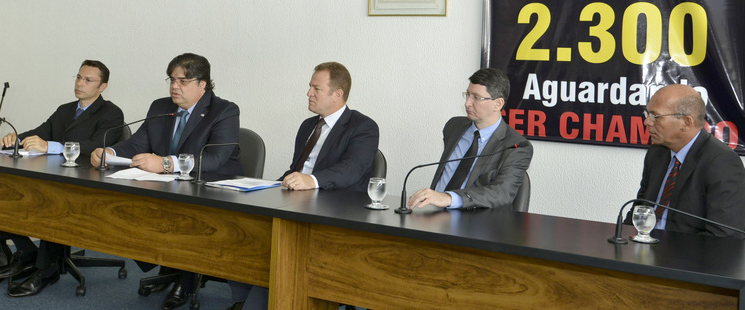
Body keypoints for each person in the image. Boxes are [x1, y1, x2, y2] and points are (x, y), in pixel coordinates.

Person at [90, 52, 242, 310]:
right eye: (172, 79)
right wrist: (110, 152)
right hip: (168, 186)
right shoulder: (161, 107)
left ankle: (186, 279)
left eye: (183, 81)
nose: (174, 86)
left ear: (202, 84)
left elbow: (215, 159)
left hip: (209, 187)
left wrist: (166, 163)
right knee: (130, 208)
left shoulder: (224, 111)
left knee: (183, 215)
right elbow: (137, 143)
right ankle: (168, 264)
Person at [228, 61, 379, 310]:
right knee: (242, 228)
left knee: (280, 250)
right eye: (310, 86)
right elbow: (296, 169)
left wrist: (313, 180)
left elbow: (353, 169)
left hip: (333, 209)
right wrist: (266, 186)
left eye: (316, 88)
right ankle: (243, 299)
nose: (309, 93)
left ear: (337, 94)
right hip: (295, 203)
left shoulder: (363, 127)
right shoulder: (309, 125)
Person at [0, 60, 124, 297]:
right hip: (53, 175)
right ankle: (27, 251)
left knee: (53, 204)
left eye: (88, 80)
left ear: (102, 87)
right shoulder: (65, 109)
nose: (80, 83)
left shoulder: (111, 113)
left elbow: (95, 146)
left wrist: (50, 146)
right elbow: (41, 132)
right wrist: (16, 138)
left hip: (85, 182)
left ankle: (46, 270)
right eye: (78, 77)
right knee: (9, 194)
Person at [627, 84, 745, 237]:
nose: (647, 122)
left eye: (655, 116)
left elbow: (723, 236)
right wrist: (622, 240)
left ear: (686, 122)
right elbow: (640, 207)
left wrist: (664, 248)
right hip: (646, 245)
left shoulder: (722, 162)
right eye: (647, 114)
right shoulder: (657, 153)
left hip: (686, 250)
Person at [408, 68, 532, 210]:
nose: (467, 103)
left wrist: (449, 198)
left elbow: (501, 193)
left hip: (475, 220)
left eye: (477, 98)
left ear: (498, 104)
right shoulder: (453, 127)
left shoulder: (517, 146)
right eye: (467, 95)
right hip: (433, 212)